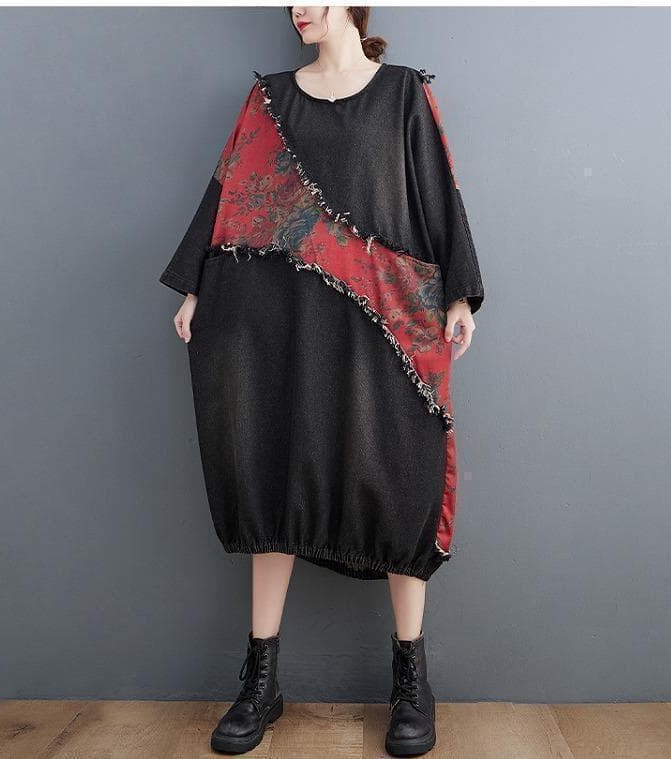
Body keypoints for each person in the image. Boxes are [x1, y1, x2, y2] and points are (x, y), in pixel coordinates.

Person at [158, 6, 485, 756]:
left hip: (385, 317)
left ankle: (411, 681)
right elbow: (231, 193)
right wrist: (197, 286)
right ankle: (260, 681)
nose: (298, 6)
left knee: (400, 475)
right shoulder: (268, 98)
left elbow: (438, 190)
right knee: (272, 466)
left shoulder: (403, 92)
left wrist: (461, 295)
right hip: (280, 315)